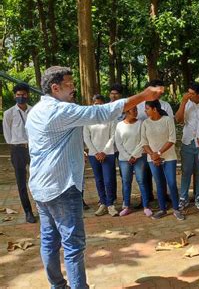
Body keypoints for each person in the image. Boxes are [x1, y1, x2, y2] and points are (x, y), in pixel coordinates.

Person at [25, 66, 162, 288]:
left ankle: (58, 285)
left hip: (41, 186)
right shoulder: (60, 112)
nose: (74, 88)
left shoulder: (36, 112)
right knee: (73, 245)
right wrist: (144, 96)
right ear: (55, 87)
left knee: (49, 240)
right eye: (69, 84)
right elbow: (100, 113)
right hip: (62, 186)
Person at [141, 100, 185, 221]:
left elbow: (172, 139)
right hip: (152, 159)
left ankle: (176, 209)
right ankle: (162, 209)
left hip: (169, 157)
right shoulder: (145, 123)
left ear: (155, 109)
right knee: (159, 184)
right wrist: (152, 155)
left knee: (171, 183)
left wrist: (159, 153)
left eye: (147, 109)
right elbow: (144, 142)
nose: (145, 111)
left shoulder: (167, 120)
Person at [2, 83, 35, 223]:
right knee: (21, 182)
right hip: (17, 150)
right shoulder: (9, 113)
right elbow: (7, 134)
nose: (21, 97)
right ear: (15, 96)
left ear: (28, 95)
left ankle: (43, 209)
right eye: (18, 95)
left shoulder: (34, 111)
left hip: (33, 149)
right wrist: (16, 144)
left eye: (23, 94)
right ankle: (28, 212)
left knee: (38, 179)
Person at [83, 94, 118, 217]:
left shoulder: (110, 118)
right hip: (94, 155)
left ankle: (110, 204)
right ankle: (102, 202)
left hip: (108, 154)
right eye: (96, 104)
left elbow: (113, 136)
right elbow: (86, 137)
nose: (98, 106)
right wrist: (96, 152)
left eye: (101, 104)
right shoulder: (89, 119)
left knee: (108, 179)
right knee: (98, 180)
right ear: (93, 104)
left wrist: (104, 151)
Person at [114, 106, 151, 217]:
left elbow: (142, 141)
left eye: (136, 110)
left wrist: (134, 155)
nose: (136, 112)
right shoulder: (119, 125)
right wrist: (127, 156)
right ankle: (127, 206)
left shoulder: (140, 123)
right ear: (126, 111)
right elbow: (118, 143)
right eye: (133, 110)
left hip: (139, 157)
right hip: (124, 159)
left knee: (141, 181)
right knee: (126, 182)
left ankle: (146, 206)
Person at [175, 81, 199, 210]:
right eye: (188, 93)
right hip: (187, 141)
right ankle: (183, 197)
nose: (189, 95)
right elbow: (178, 119)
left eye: (192, 94)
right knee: (186, 171)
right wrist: (183, 102)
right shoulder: (186, 103)